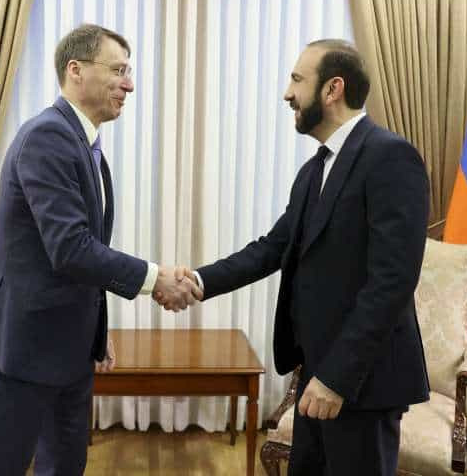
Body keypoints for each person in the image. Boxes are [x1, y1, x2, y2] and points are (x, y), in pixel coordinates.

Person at [169, 40, 430, 475]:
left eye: (296, 80)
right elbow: (272, 248)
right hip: (316, 374)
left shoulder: (390, 157)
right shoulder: (314, 170)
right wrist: (198, 281)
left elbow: (393, 281)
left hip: (359, 382)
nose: (287, 93)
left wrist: (337, 378)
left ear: (332, 89)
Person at [0, 24, 201, 475]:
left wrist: (95, 329)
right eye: (118, 71)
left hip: (68, 351)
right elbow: (70, 248)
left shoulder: (85, 145)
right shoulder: (47, 137)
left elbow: (82, 257)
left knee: (66, 466)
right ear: (75, 70)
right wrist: (158, 279)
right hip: (19, 351)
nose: (129, 84)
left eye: (128, 72)